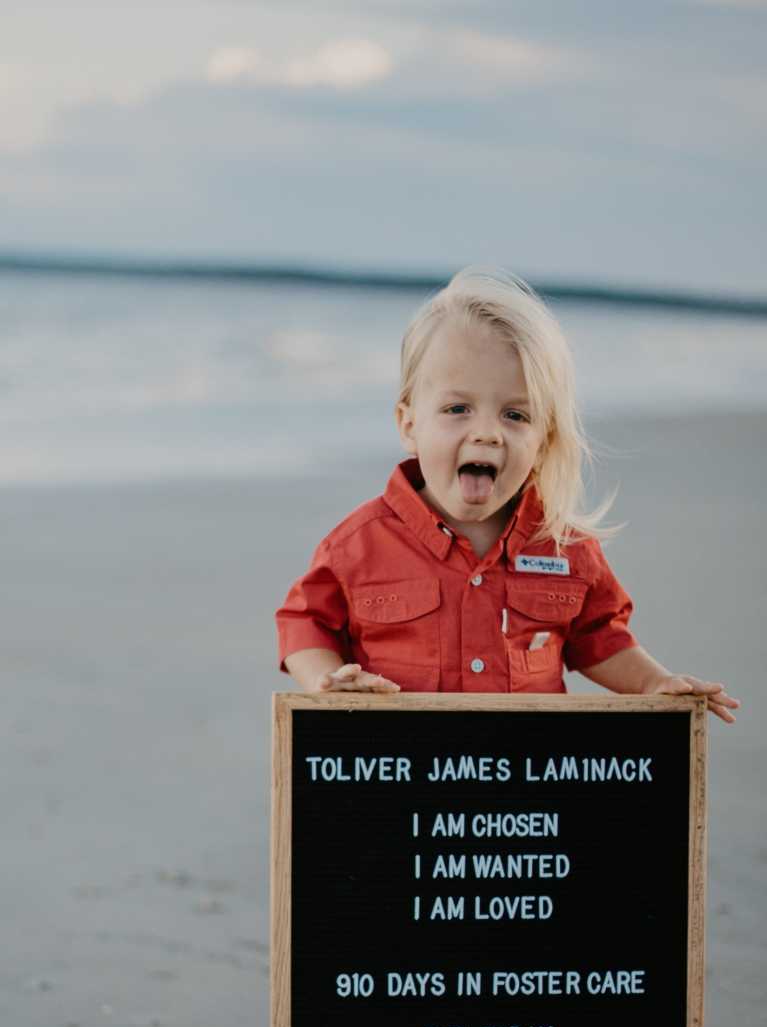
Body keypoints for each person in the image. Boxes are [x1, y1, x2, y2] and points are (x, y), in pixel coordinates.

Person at [275, 266, 740, 724]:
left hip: (522, 783)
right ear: (409, 423)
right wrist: (327, 679)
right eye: (458, 409)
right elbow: (304, 622)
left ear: (544, 438)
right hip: (405, 780)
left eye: (516, 416)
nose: (487, 433)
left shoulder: (564, 547)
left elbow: (601, 635)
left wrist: (652, 683)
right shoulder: (359, 546)